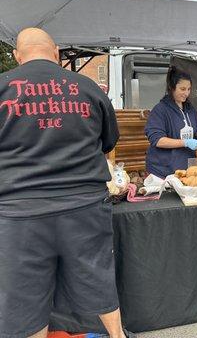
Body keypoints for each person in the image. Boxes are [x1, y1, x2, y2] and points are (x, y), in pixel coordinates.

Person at [0, 28, 133, 337]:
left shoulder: (2, 88)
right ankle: (117, 335)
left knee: (24, 295)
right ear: (57, 52)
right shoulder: (87, 87)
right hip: (84, 205)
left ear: (18, 57)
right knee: (98, 276)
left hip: (20, 212)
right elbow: (108, 141)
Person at [145, 67, 197, 178]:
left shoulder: (190, 109)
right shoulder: (160, 110)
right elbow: (157, 140)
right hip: (163, 171)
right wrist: (185, 142)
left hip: (186, 168)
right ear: (172, 88)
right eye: (182, 89)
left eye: (189, 89)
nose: (186, 93)